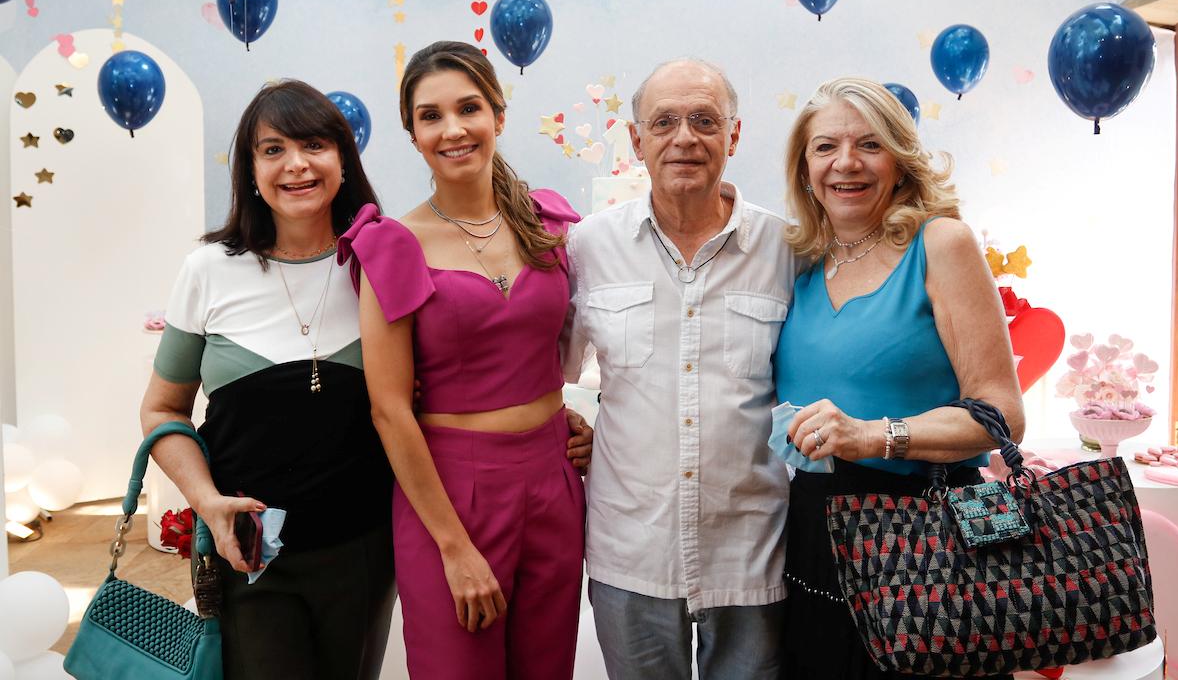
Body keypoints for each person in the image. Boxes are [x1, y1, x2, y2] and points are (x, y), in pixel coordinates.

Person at [339, 40, 592, 680]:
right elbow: (390, 410)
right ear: (413, 134)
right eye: (430, 116)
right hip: (450, 493)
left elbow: (566, 349)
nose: (452, 130)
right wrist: (454, 547)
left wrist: (578, 425)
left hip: (553, 480)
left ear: (498, 116)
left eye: (469, 108)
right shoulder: (393, 244)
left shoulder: (549, 226)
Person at [141, 80, 396, 679]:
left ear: (342, 159)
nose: (296, 165)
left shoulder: (382, 262)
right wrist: (207, 503)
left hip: (362, 548)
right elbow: (163, 410)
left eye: (314, 144)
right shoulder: (208, 269)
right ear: (250, 169)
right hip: (248, 552)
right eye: (273, 149)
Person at [774, 76, 1025, 680]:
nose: (847, 163)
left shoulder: (941, 242)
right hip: (819, 525)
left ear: (900, 159)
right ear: (805, 166)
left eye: (869, 144)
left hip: (938, 522)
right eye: (826, 147)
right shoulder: (800, 260)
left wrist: (874, 436)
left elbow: (1003, 413)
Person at [563, 58, 796, 679]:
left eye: (704, 120)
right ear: (636, 140)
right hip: (629, 553)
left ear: (734, 135)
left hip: (752, 553)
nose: (685, 137)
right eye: (664, 121)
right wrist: (568, 426)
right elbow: (539, 366)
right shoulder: (588, 247)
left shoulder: (787, 250)